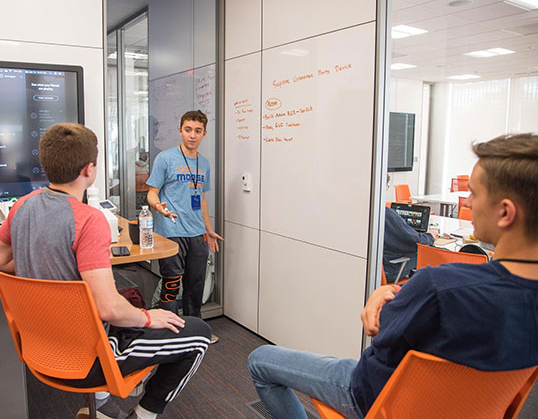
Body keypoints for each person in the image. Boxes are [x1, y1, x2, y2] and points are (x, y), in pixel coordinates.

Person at [248, 133, 538, 419]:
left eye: (474, 193)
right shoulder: (460, 291)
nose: (469, 202)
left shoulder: (438, 287)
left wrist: (384, 295)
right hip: (468, 410)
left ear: (505, 212)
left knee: (260, 360)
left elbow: (381, 336)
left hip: (375, 397)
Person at [0, 123, 211, 419]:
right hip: (86, 360)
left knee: (130, 299)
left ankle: (102, 405)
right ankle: (142, 414)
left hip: (37, 349)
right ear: (90, 169)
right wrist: (150, 317)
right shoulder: (88, 220)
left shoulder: (21, 207)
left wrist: (40, 262)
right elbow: (108, 309)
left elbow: (2, 261)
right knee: (198, 333)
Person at [146, 110, 222, 344]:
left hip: (197, 233)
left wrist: (208, 229)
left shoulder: (204, 164)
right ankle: (169, 333)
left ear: (204, 134)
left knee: (195, 285)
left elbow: (202, 199)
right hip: (171, 232)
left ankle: (195, 331)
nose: (192, 135)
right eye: (188, 130)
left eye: (197, 131)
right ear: (180, 131)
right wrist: (158, 207)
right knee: (171, 284)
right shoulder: (166, 159)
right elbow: (152, 193)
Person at [383, 205, 437, 282]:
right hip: (388, 270)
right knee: (433, 253)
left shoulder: (366, 211)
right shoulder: (386, 213)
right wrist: (430, 236)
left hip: (370, 268)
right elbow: (414, 242)